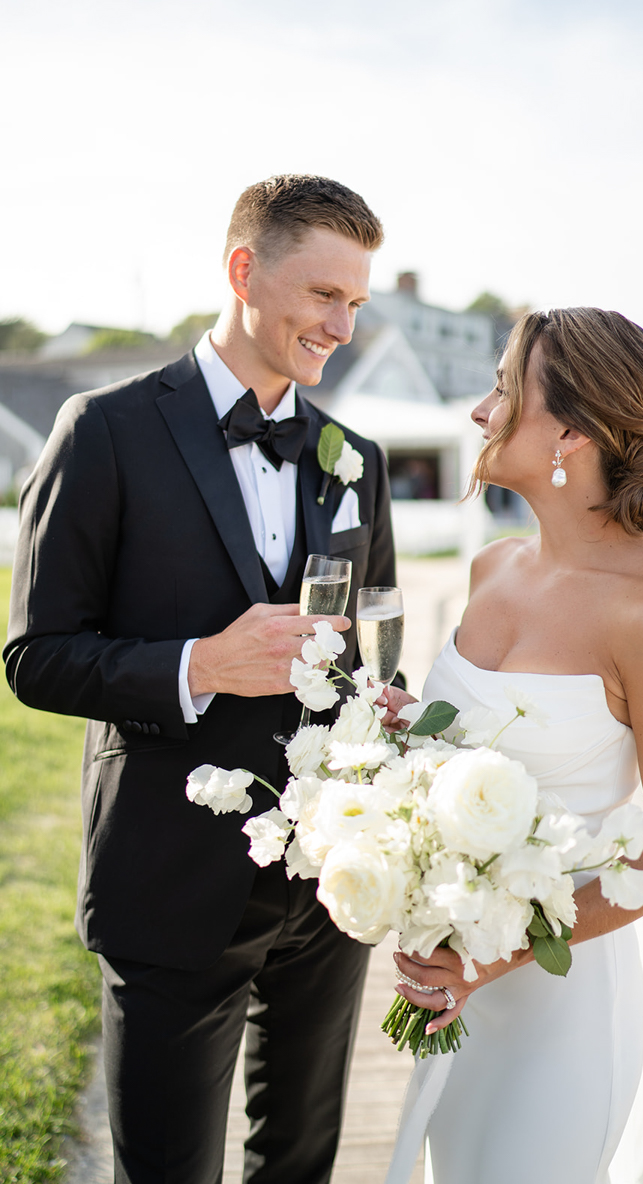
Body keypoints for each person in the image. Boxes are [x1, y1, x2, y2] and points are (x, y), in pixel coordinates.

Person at [4, 175, 399, 1184]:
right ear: (242, 272)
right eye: (323, 296)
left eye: (355, 303)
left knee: (299, 1162)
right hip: (169, 883)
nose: (341, 326)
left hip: (324, 883)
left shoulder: (354, 457)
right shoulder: (106, 431)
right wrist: (201, 666)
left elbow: (369, 638)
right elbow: (37, 656)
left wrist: (378, 711)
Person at [380, 308, 643, 1184]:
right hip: (453, 986)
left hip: (560, 999)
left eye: (502, 389)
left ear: (569, 431)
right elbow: (459, 751)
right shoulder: (491, 568)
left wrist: (494, 957)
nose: (479, 412)